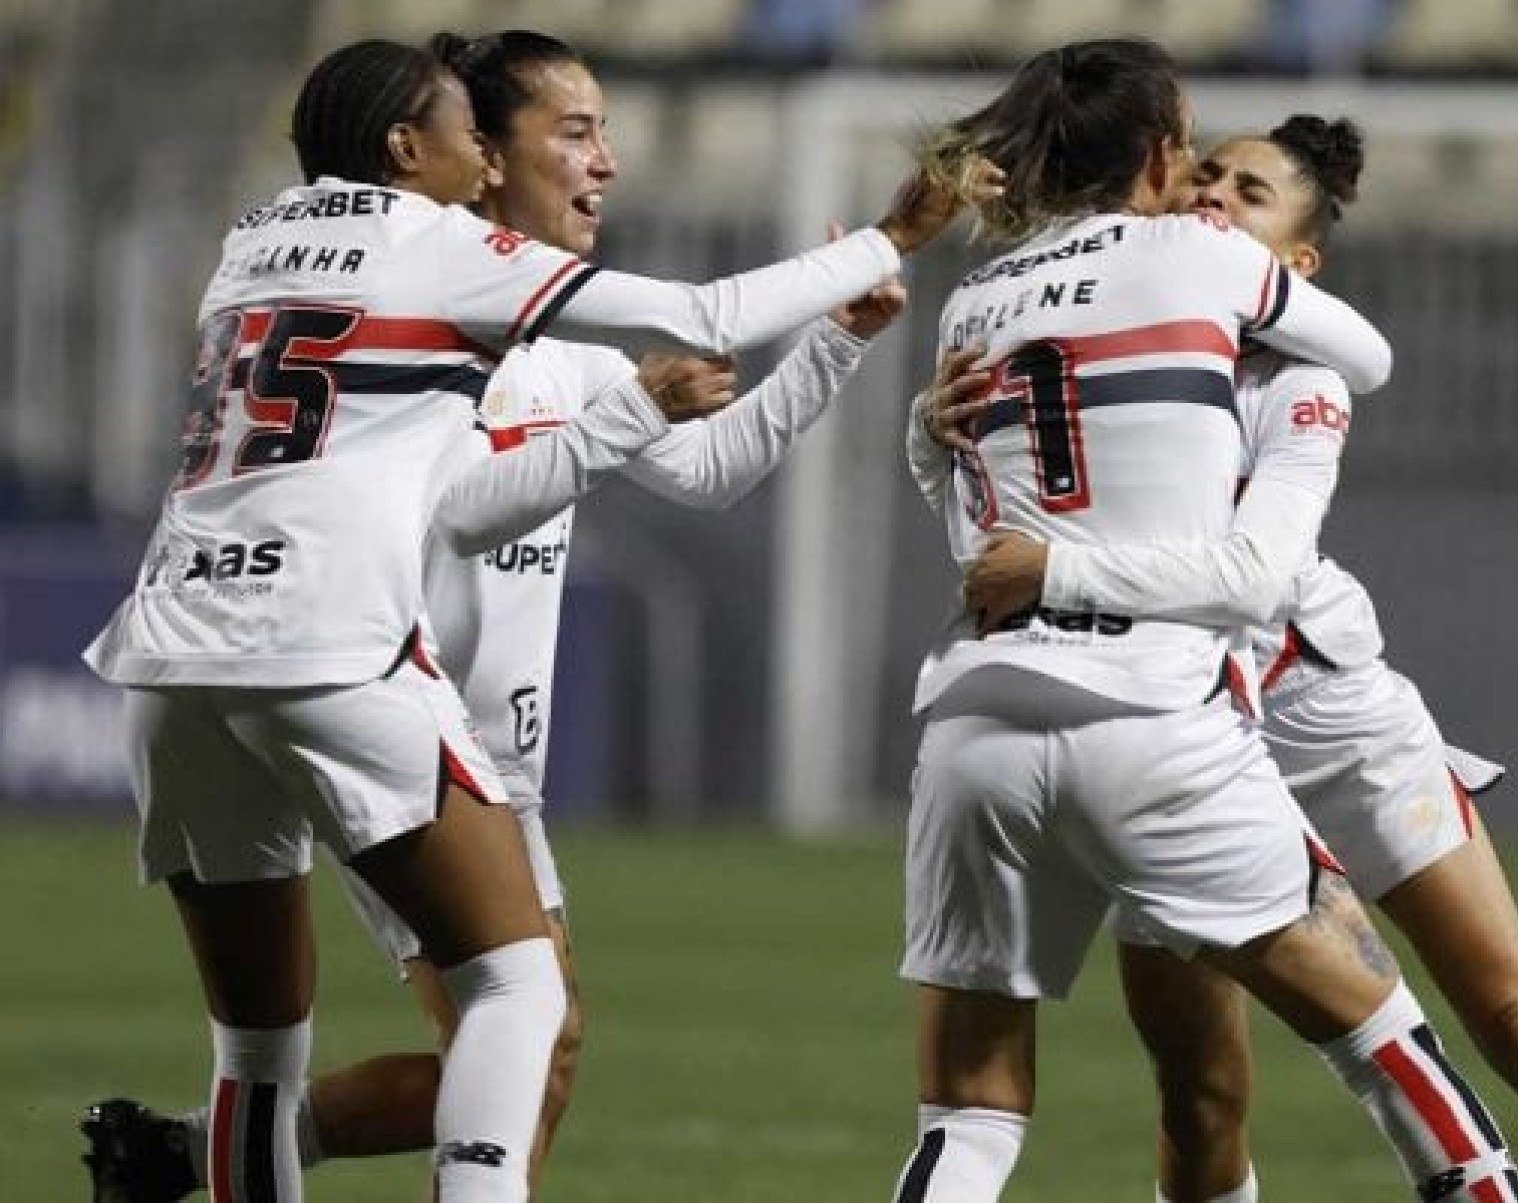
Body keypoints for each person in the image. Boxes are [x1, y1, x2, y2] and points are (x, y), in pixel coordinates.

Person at [80, 37, 964, 1203]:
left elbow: (706, 468)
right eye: (572, 131)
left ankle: (185, 1158)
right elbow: (473, 501)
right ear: (449, 153)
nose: (607, 159)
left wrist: (837, 336)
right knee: (519, 998)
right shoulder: (446, 261)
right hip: (353, 668)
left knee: (281, 1044)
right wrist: (887, 236)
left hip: (179, 633)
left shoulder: (258, 244)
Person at [931, 117, 1518, 1202]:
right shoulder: (1114, 312)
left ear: (1297, 268)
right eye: (1204, 175)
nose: (1212, 197)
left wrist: (1053, 570)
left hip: (1323, 714)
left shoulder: (1300, 376)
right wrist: (934, 424)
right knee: (1198, 1087)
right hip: (1167, 723)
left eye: (1249, 193)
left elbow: (1248, 572)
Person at [889, 38, 1518, 1203]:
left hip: (971, 724)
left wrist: (927, 440)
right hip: (1153, 720)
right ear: (1158, 151)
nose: (1198, 172)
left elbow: (976, 545)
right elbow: (1362, 363)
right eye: (1188, 144)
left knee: (968, 1118)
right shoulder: (1198, 254)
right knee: (1388, 1046)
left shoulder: (975, 297)